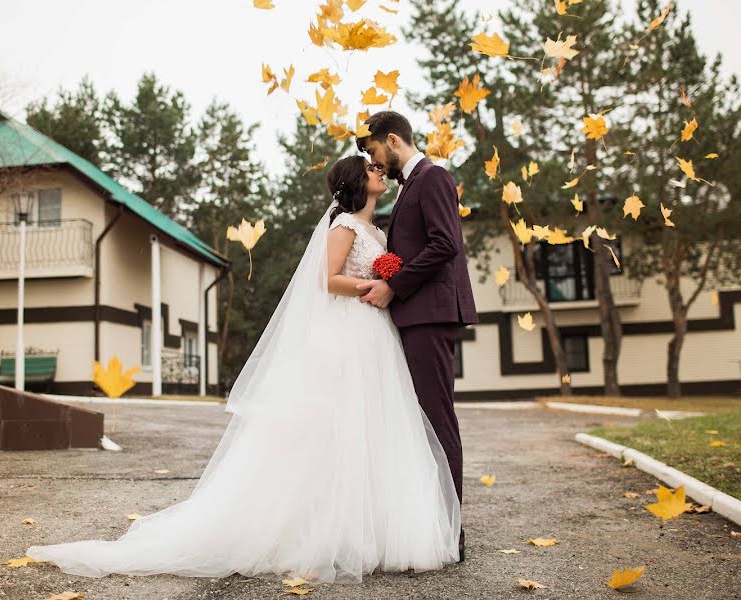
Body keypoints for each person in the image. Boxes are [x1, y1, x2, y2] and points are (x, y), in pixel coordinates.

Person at [25, 155, 462, 584]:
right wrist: (372, 284)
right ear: (355, 181)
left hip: (374, 333)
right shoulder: (344, 226)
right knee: (334, 431)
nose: (379, 172)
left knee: (370, 429)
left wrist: (388, 278)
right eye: (371, 170)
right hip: (350, 331)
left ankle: (370, 532)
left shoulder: (374, 229)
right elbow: (327, 279)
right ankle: (318, 536)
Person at [355, 111, 479, 562]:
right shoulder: (412, 186)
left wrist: (395, 283)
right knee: (421, 423)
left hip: (429, 315)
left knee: (437, 421)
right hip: (416, 316)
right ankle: (432, 527)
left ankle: (451, 533)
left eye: (372, 151)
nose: (373, 160)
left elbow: (446, 244)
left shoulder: (433, 177)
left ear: (392, 139)